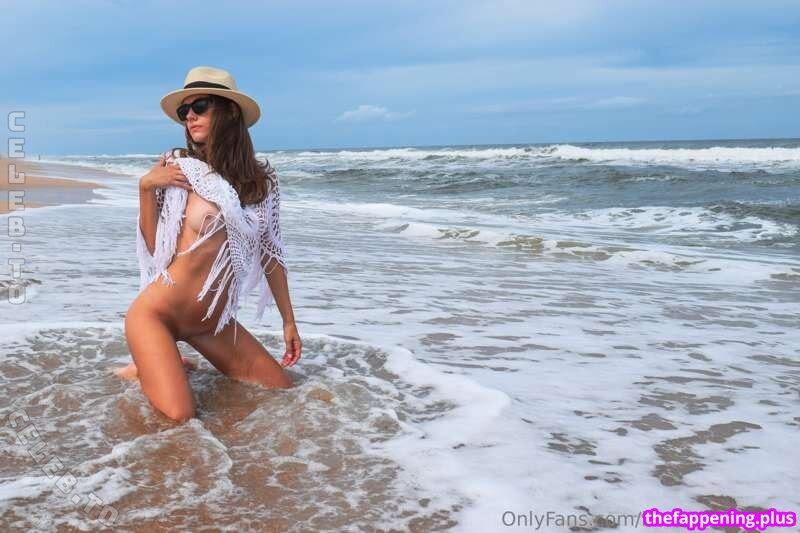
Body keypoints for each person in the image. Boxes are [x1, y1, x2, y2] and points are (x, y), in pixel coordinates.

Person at [114, 66, 302, 422]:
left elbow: (271, 253)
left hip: (212, 323)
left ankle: (163, 365)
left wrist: (288, 322)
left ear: (229, 112)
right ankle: (149, 365)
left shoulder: (262, 184)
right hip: (158, 315)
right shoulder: (181, 168)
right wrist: (146, 187)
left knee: (284, 392)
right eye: (184, 111)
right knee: (181, 419)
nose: (189, 116)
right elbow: (156, 248)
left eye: (199, 106)